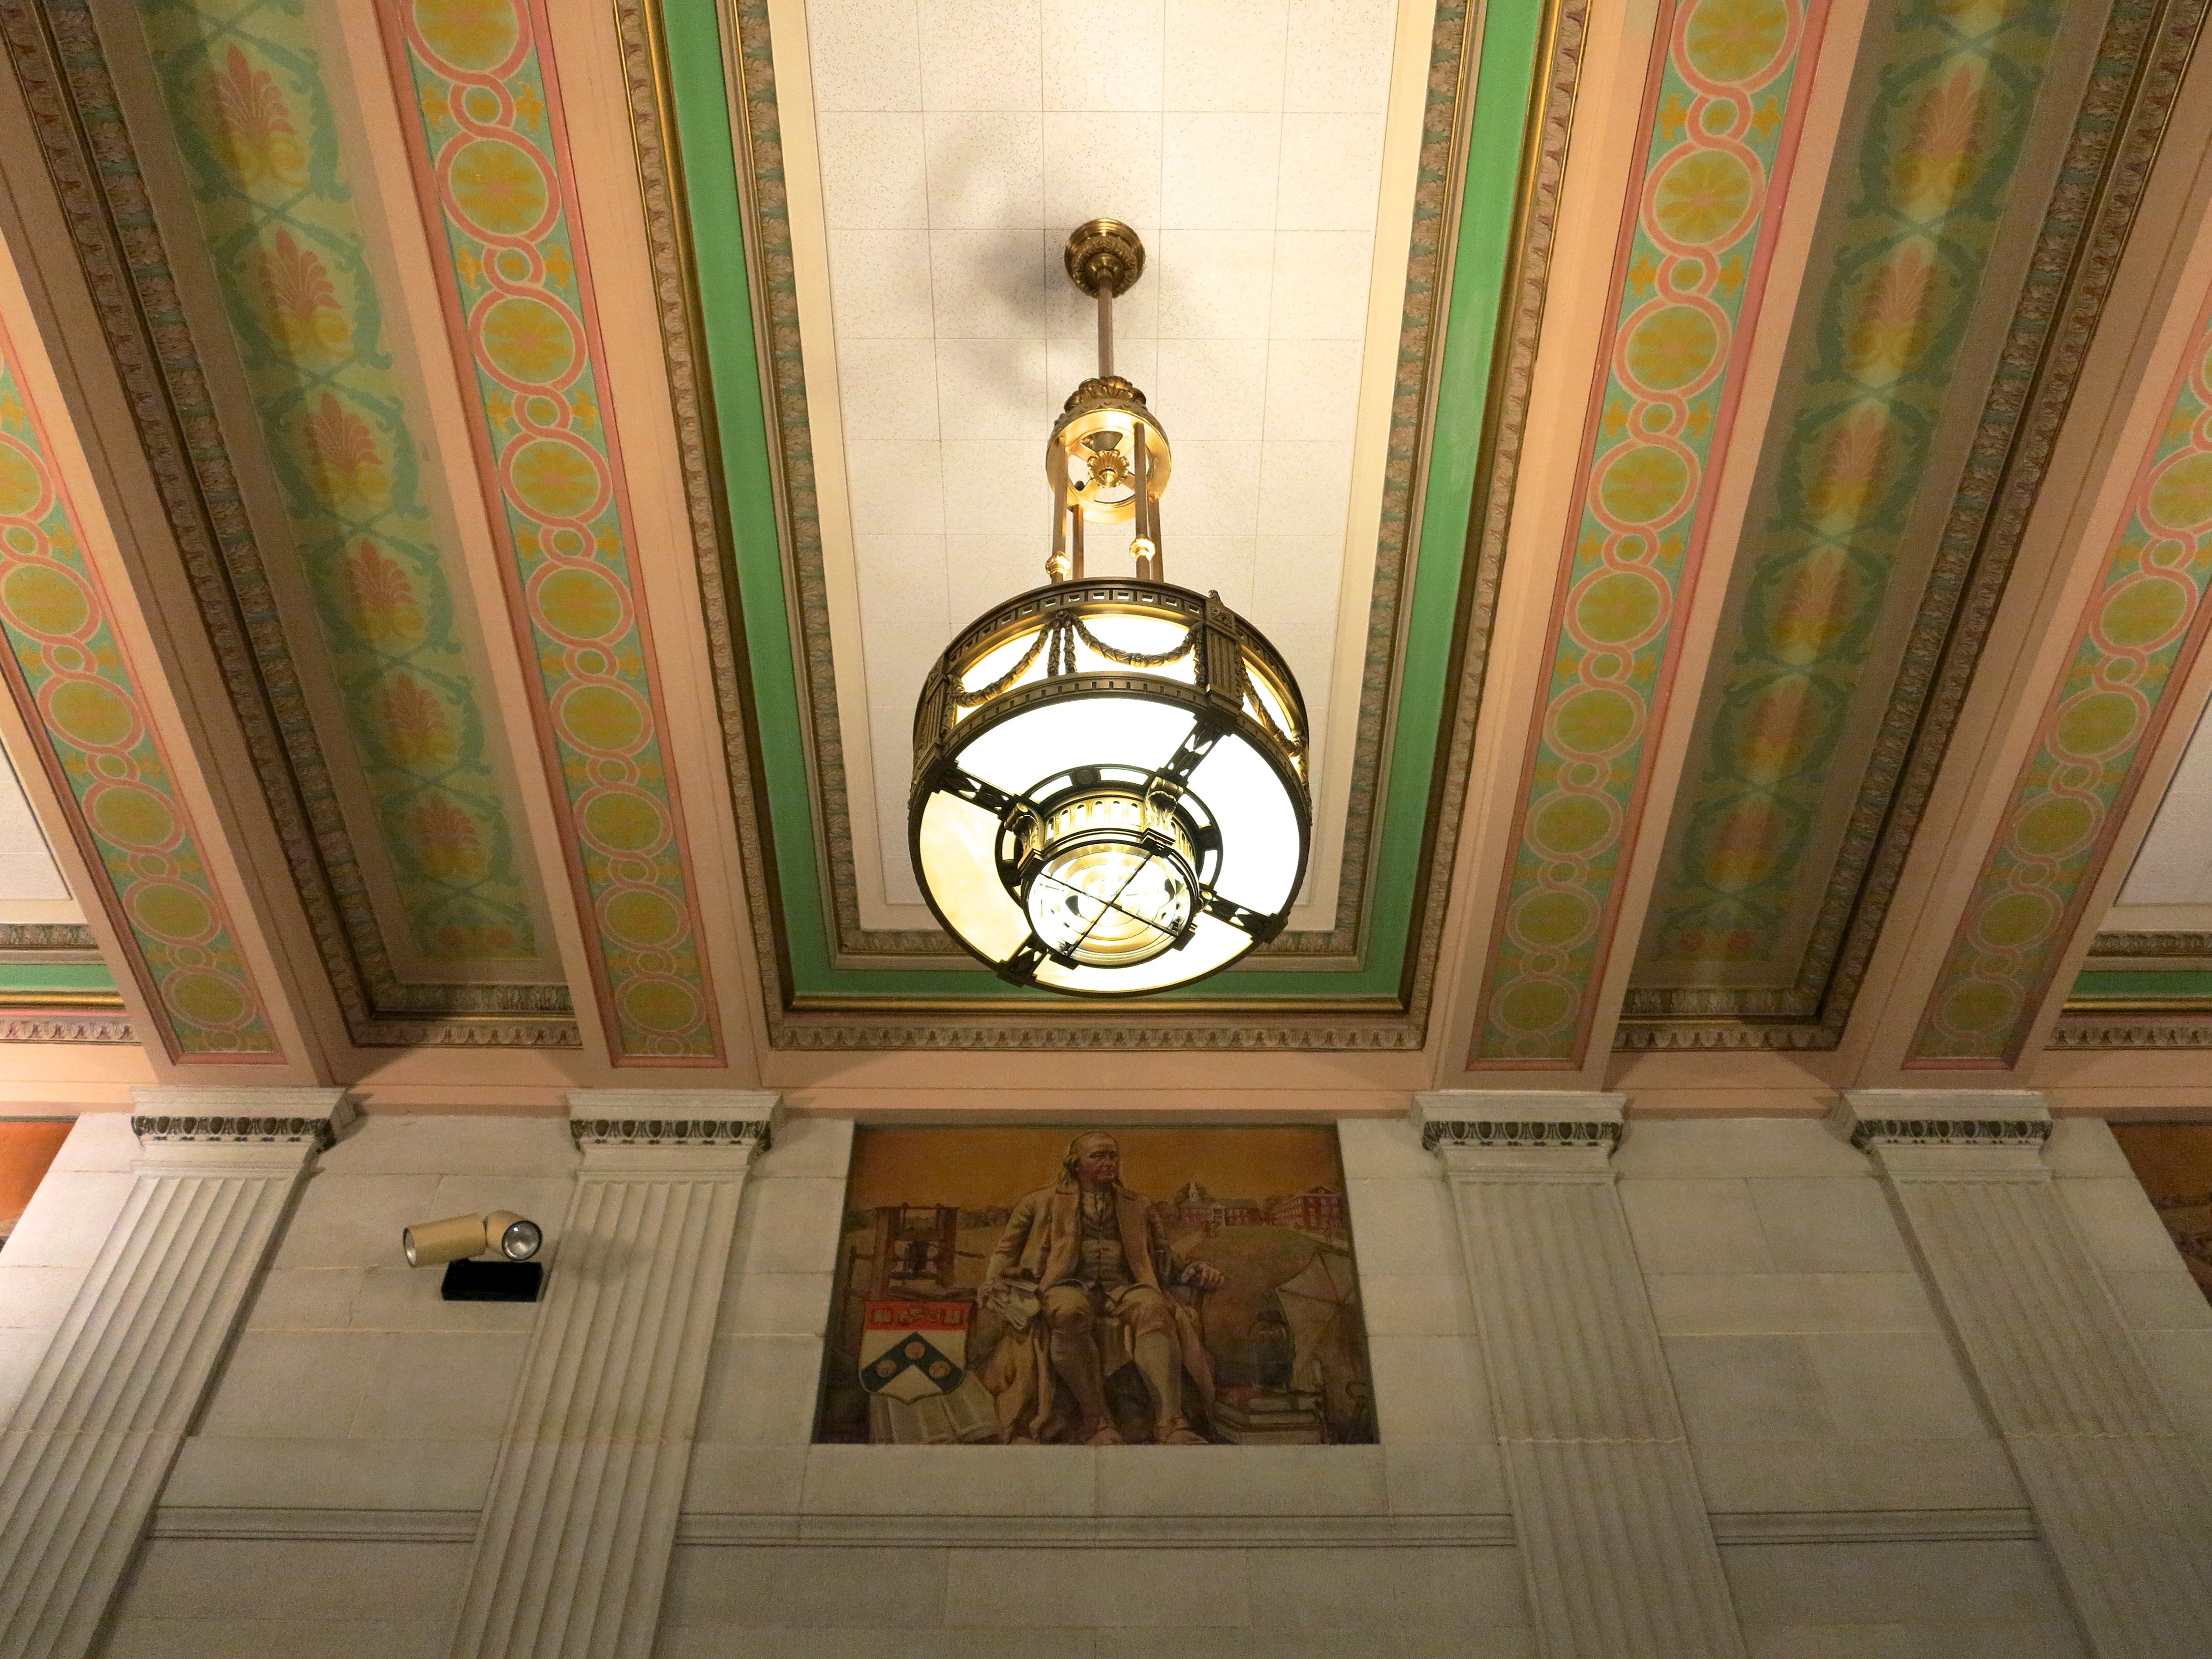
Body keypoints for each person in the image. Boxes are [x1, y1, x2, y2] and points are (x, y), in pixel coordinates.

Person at [978, 1131, 1224, 1445]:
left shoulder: (1140, 1205)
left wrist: (1193, 1270)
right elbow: (1005, 1249)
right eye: (1098, 1156)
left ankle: (1171, 1423)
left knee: (1154, 1308)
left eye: (1112, 1156)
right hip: (1065, 1285)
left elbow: (1164, 1257)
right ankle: (1097, 1422)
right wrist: (994, 1282)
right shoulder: (1039, 1202)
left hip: (1126, 1287)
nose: (1109, 1163)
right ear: (1075, 1164)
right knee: (1068, 1312)